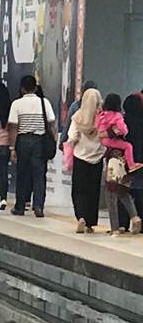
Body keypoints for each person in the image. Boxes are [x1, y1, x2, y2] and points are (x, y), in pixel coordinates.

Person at [9, 75, 57, 218]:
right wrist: (53, 142)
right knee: (39, 175)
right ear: (35, 88)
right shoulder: (44, 102)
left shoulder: (17, 104)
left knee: (22, 174)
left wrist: (12, 148)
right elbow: (52, 124)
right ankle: (39, 207)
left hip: (23, 140)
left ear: (22, 89)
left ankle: (20, 207)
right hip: (39, 141)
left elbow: (13, 127)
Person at [67, 89, 105, 234]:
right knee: (93, 190)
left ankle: (81, 216)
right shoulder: (102, 118)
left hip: (80, 158)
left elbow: (72, 136)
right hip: (97, 159)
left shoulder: (78, 116)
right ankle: (90, 223)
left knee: (79, 190)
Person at [95, 94, 143, 173]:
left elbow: (108, 131)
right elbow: (122, 129)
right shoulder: (119, 116)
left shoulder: (103, 114)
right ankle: (132, 165)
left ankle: (131, 165)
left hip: (120, 162)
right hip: (138, 158)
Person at [119, 94, 143, 229]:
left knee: (123, 191)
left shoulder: (124, 120)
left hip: (126, 162)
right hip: (140, 162)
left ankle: (123, 224)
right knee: (140, 193)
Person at [59, 80, 98, 148]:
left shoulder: (76, 106)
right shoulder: (99, 108)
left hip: (78, 146)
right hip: (96, 148)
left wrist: (62, 141)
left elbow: (68, 124)